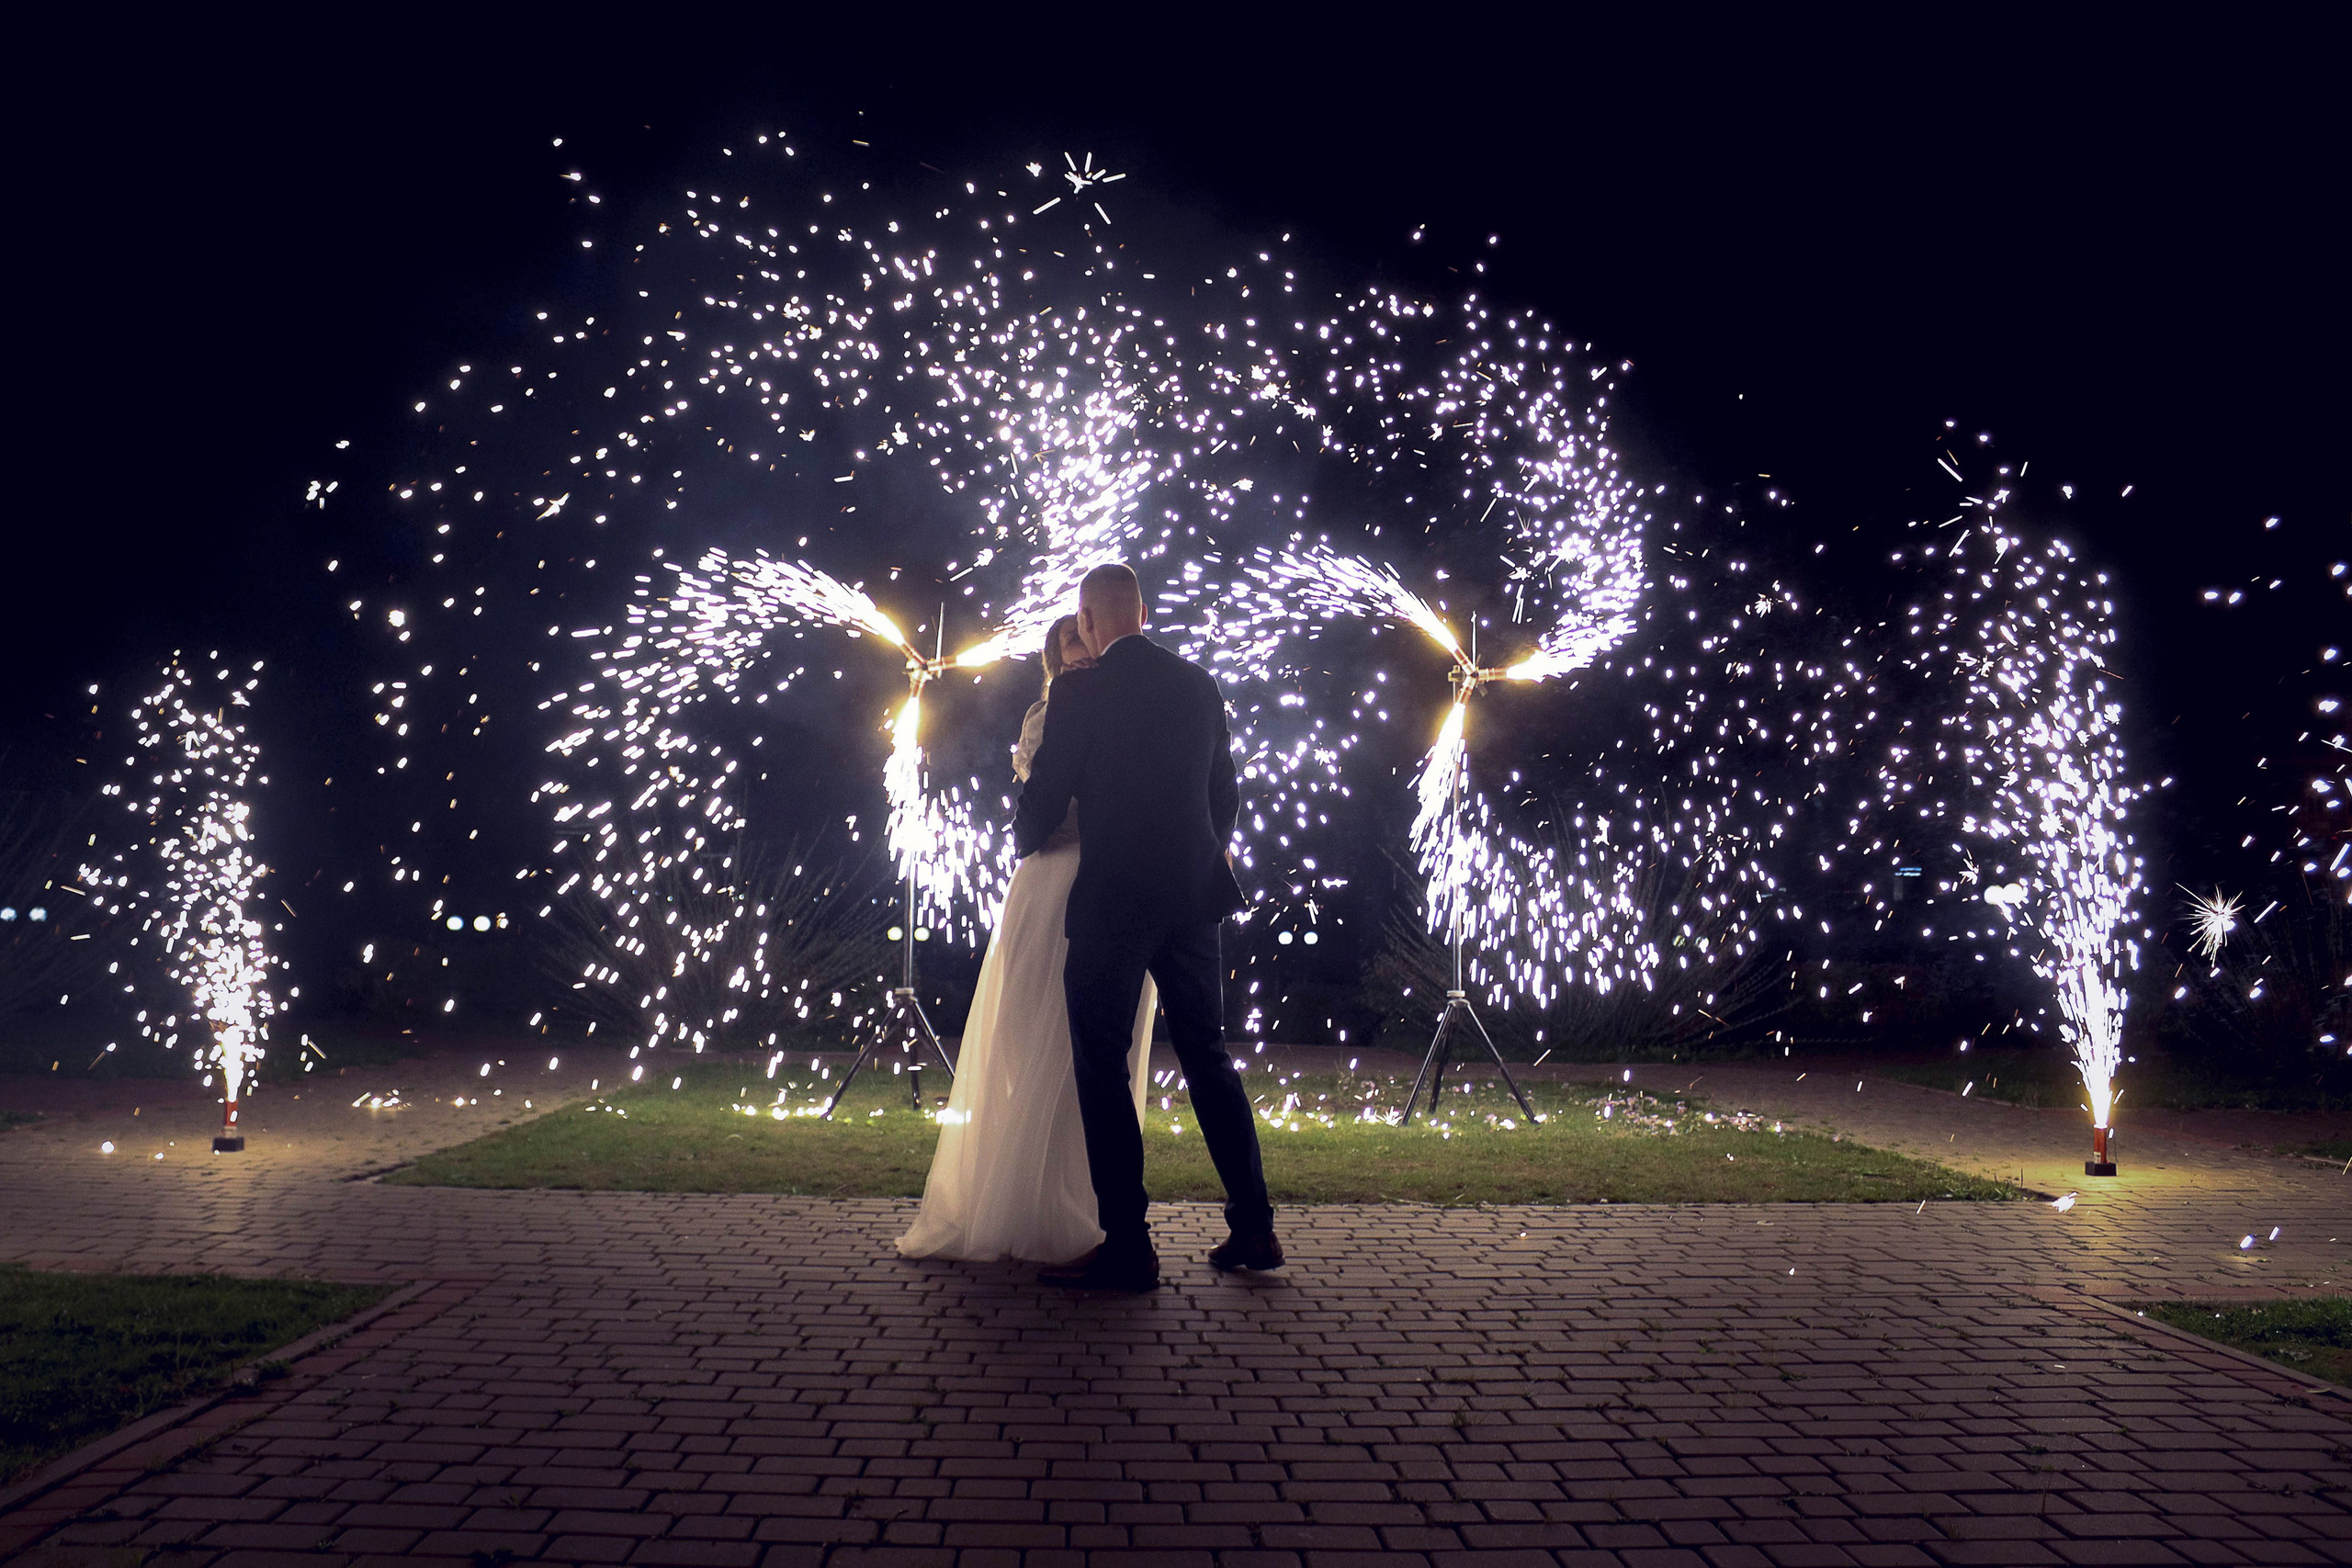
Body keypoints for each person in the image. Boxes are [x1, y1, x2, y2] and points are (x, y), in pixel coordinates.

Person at [1013, 562, 1282, 1292]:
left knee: (1100, 1058)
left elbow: (1047, 790)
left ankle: (1129, 1243)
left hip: (1114, 898)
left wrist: (1025, 832)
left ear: (1090, 620)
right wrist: (1195, 847)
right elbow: (1222, 794)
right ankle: (1254, 1223)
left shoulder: (1079, 689)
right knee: (1208, 1056)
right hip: (1193, 896)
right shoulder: (1198, 684)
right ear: (1142, 611)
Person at [897, 616, 1157, 1264]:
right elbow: (1042, 810)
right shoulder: (1050, 714)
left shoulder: (1124, 710)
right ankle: (1025, 1199)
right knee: (1031, 1035)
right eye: (1071, 645)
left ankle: (1085, 1201)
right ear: (1054, 658)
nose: (1083, 656)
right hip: (1052, 886)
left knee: (1090, 1055)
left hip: (1107, 884)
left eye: (1088, 644)